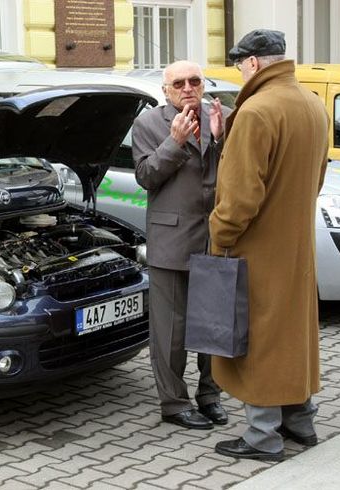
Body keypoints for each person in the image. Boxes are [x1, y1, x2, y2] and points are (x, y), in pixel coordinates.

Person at [209, 29, 329, 460]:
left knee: (258, 338)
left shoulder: (257, 110)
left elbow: (240, 198)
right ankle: (301, 422)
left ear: (254, 63)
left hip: (256, 248)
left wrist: (219, 234)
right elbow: (316, 178)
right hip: (297, 245)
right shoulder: (312, 103)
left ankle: (262, 437)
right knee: (293, 334)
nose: (240, 72)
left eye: (240, 64)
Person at [133, 60, 230, 430]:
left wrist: (220, 140)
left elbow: (232, 171)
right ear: (166, 90)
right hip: (171, 239)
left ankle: (210, 395)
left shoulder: (220, 115)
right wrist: (174, 142)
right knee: (170, 332)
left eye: (194, 81)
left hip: (215, 237)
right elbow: (146, 177)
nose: (188, 88)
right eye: (179, 83)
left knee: (214, 326)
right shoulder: (148, 124)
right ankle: (174, 403)